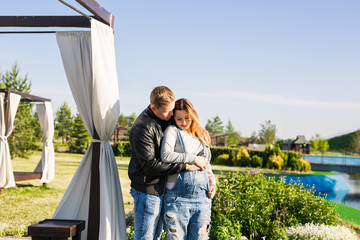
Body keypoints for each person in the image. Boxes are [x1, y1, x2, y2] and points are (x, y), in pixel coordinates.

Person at [128, 86, 200, 240]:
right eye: (168, 111)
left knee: (154, 236)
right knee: (144, 236)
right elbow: (150, 165)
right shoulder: (142, 128)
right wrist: (184, 165)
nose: (172, 114)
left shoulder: (164, 119)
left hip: (161, 189)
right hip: (147, 190)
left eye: (172, 109)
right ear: (154, 108)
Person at [161, 98, 216, 240]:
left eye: (187, 118)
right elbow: (166, 155)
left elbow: (207, 165)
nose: (184, 123)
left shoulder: (201, 134)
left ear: (193, 116)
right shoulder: (172, 131)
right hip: (177, 199)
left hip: (202, 200)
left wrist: (212, 184)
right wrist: (193, 158)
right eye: (179, 119)